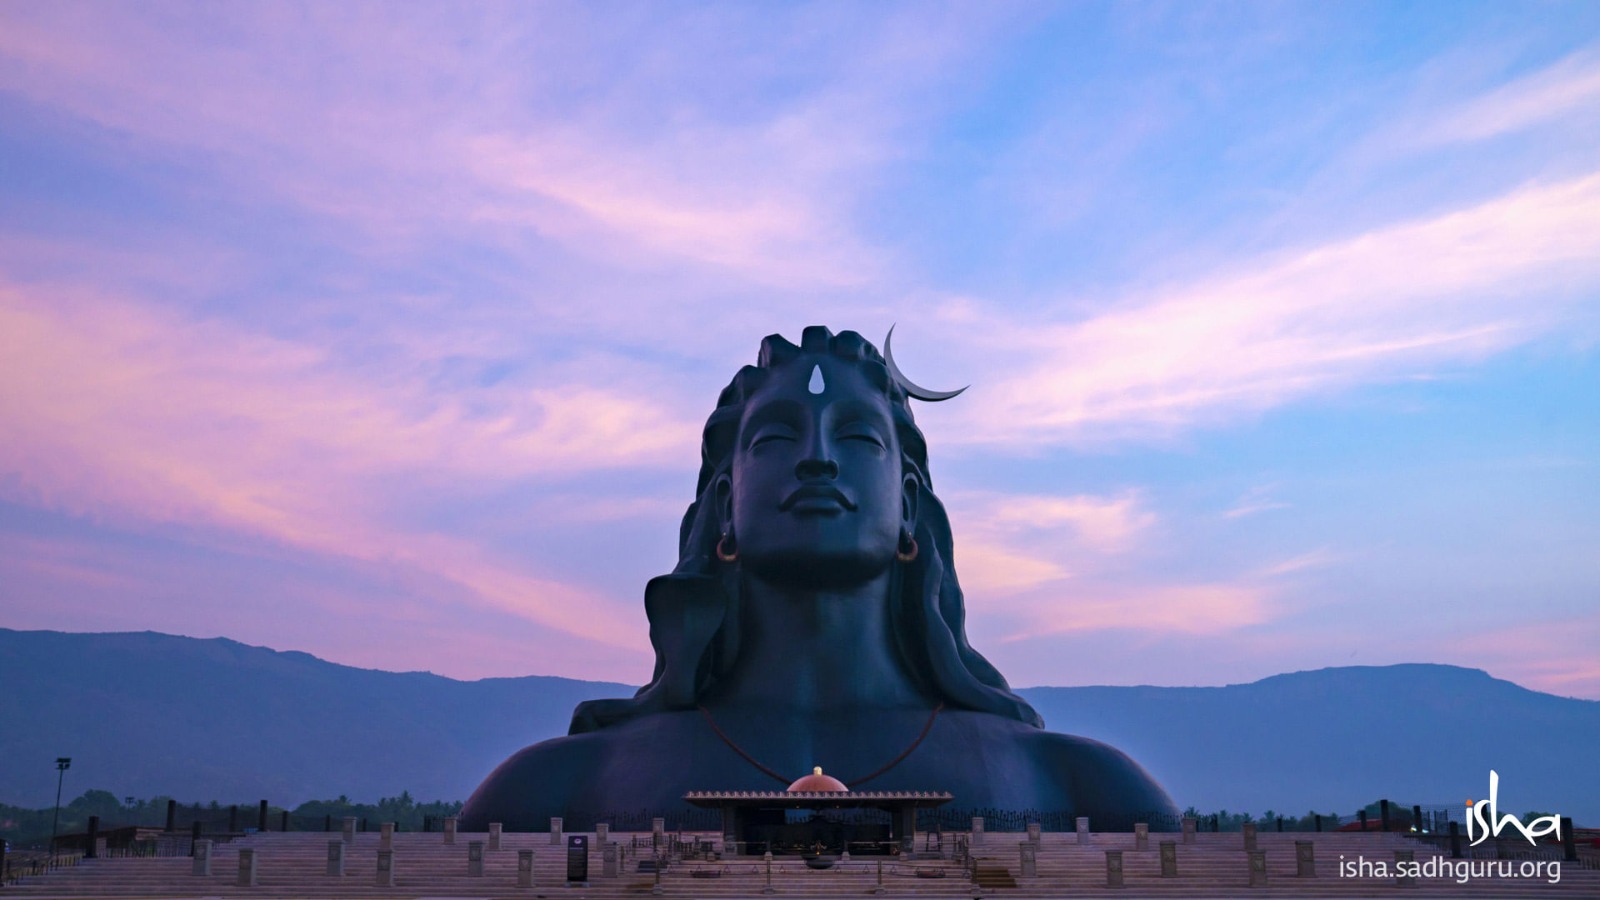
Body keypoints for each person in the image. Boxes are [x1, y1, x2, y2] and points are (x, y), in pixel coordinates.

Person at [461, 327, 1175, 831]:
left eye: (859, 436)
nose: (819, 459)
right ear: (723, 510)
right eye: (776, 437)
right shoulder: (554, 791)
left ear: (910, 507)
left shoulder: (1081, 788)